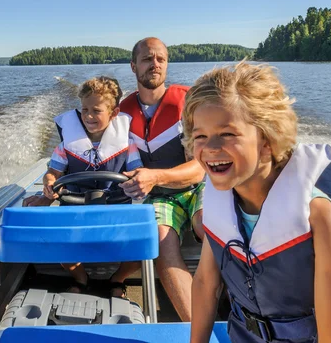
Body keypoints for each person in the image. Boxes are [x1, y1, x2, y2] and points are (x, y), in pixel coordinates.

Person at [185, 62, 331, 343]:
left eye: (227, 134)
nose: (210, 148)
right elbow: (205, 283)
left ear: (267, 138)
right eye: (200, 136)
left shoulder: (320, 216)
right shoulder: (218, 203)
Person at [24, 76, 143, 298]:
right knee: (63, 251)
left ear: (113, 113)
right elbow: (53, 172)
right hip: (75, 209)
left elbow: (137, 172)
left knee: (139, 253)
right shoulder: (66, 145)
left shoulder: (128, 145)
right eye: (84, 109)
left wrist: (135, 179)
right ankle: (81, 278)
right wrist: (49, 182)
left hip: (116, 209)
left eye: (96, 110)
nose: (88, 116)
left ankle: (117, 278)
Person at [118, 37, 205, 321]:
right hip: (156, 196)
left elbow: (201, 167)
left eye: (161, 59)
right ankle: (198, 330)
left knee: (210, 225)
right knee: (161, 241)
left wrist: (156, 176)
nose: (154, 64)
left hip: (198, 185)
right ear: (133, 67)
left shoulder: (188, 104)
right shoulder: (120, 113)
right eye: (147, 59)